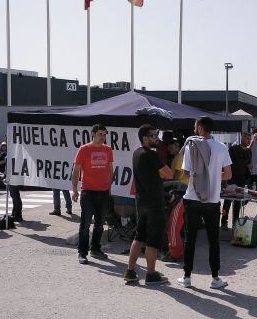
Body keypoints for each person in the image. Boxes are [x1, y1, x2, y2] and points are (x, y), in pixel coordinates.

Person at [177, 116, 233, 289]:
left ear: (200, 127)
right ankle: (215, 278)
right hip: (213, 200)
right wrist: (214, 177)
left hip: (192, 198)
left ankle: (187, 277)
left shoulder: (191, 145)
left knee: (190, 238)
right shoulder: (222, 147)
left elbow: (185, 174)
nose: (194, 128)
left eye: (195, 126)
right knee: (213, 240)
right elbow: (229, 175)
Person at [124, 124, 173, 285]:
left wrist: (160, 172)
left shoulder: (136, 153)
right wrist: (161, 171)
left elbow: (159, 173)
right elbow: (169, 174)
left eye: (156, 134)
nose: (156, 138)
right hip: (154, 202)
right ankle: (151, 274)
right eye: (153, 136)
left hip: (142, 201)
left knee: (139, 236)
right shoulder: (150, 155)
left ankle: (130, 271)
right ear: (144, 138)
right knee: (153, 240)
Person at [72, 124, 113, 264]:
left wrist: (109, 187)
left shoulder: (108, 149)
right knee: (85, 224)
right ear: (93, 134)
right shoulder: (84, 149)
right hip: (88, 192)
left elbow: (110, 169)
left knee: (100, 224)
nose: (102, 137)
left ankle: (95, 249)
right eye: (100, 134)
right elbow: (76, 170)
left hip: (103, 192)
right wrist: (75, 190)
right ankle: (82, 253)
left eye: (104, 134)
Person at [221, 132, 251, 230]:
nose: (248, 141)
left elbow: (248, 164)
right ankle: (224, 221)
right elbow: (226, 163)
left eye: (249, 139)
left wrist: (249, 167)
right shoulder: (233, 149)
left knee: (238, 203)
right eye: (246, 138)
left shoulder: (249, 151)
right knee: (227, 201)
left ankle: (235, 222)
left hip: (242, 179)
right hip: (231, 178)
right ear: (242, 138)